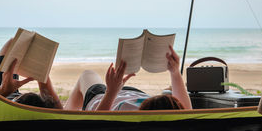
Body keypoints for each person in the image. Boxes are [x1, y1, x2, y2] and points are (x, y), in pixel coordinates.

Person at [64, 45, 192, 111]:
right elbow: (186, 109)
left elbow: (98, 122)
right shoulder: (177, 121)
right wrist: (174, 72)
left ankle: (64, 118)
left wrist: (111, 92)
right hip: (133, 94)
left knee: (87, 75)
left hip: (102, 99)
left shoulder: (129, 123)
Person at [0, 38, 63, 109]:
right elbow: (58, 110)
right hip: (3, 97)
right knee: (14, 42)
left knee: (15, 42)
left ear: (16, 99)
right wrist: (40, 73)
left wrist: (2, 91)